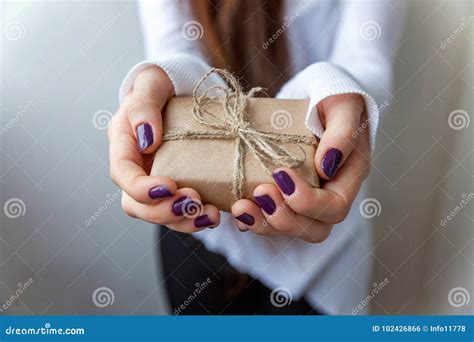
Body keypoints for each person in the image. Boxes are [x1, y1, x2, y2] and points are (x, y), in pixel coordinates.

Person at [108, 0, 406, 314]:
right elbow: (173, 47)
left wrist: (336, 90)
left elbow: (365, 59)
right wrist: (165, 77)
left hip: (326, 237)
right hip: (196, 225)